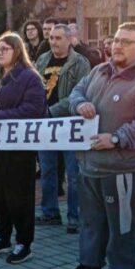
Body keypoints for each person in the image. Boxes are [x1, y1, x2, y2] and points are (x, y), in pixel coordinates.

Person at [58, 22, 135, 269]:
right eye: (116, 40)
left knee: (122, 225)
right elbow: (76, 92)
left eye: (127, 42)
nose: (118, 46)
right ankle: (90, 268)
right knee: (92, 221)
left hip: (123, 169)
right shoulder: (99, 70)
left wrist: (117, 139)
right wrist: (79, 104)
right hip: (91, 164)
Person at [0, 33, 47, 264]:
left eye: (5, 48)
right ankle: (2, 236)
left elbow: (34, 109)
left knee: (18, 196)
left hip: (18, 149)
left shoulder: (29, 78)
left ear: (17, 51)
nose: (0, 52)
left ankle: (24, 242)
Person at [35, 24, 90, 234]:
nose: (54, 42)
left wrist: (53, 110)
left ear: (69, 39)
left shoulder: (80, 62)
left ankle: (75, 216)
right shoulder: (41, 60)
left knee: (73, 174)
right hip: (45, 125)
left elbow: (81, 92)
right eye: (51, 37)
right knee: (47, 171)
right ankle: (50, 213)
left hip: (69, 125)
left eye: (58, 38)